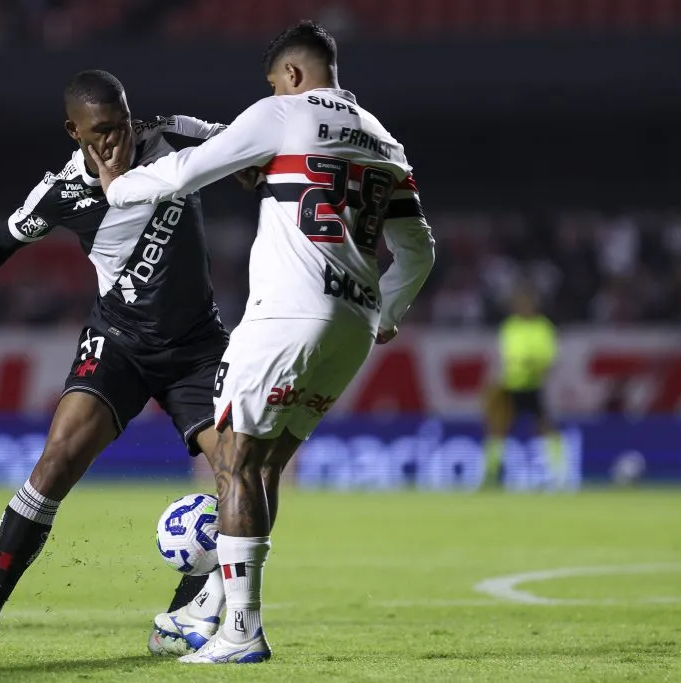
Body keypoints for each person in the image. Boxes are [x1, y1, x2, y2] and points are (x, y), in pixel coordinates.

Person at [90, 21, 436, 664]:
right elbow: (420, 249)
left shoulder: (284, 111)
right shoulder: (385, 140)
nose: (273, 89)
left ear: (294, 76)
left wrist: (119, 187)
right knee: (267, 464)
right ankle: (215, 608)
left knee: (237, 464)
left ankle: (239, 630)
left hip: (285, 317)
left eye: (275, 79)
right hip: (351, 327)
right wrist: (386, 312)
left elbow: (185, 172)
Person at [0, 70, 247, 657]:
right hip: (117, 343)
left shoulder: (171, 137)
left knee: (240, 477)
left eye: (121, 124)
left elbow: (246, 143)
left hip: (196, 349)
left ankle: (179, 620)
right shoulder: (61, 191)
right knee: (55, 462)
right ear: (74, 131)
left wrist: (255, 167)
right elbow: (0, 244)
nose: (117, 139)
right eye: (101, 132)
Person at [482, 286, 563, 488]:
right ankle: (491, 473)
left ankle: (559, 473)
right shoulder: (510, 326)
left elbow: (548, 357)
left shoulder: (543, 327)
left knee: (545, 427)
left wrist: (532, 363)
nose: (523, 307)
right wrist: (529, 362)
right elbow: (510, 355)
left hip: (534, 385)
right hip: (512, 384)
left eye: (527, 303)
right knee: (499, 429)